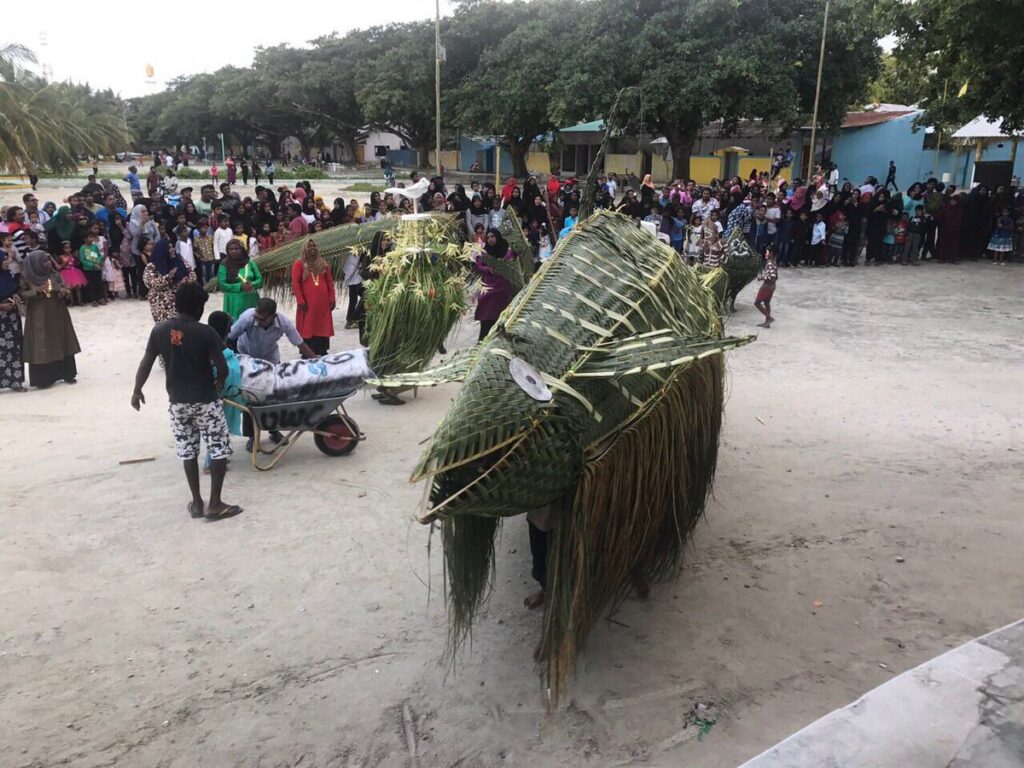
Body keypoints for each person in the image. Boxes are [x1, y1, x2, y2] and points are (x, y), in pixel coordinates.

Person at [131, 282, 241, 521]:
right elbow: (222, 368)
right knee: (218, 448)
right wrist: (219, 385)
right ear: (199, 307)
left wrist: (137, 390)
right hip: (205, 399)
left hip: (177, 402)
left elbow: (146, 363)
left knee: (187, 450)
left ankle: (197, 502)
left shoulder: (159, 330)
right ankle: (215, 503)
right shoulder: (206, 332)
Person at [19, 250, 80, 388]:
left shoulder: (54, 274)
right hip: (38, 315)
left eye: (48, 260)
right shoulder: (27, 277)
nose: (48, 264)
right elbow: (21, 294)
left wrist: (65, 291)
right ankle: (44, 378)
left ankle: (67, 373)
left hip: (58, 312)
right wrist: (37, 291)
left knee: (62, 338)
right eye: (44, 261)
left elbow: (66, 287)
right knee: (42, 342)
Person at [227, 298, 314, 363]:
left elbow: (300, 344)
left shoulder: (284, 322)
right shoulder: (247, 318)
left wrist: (316, 360)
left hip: (270, 359)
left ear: (273, 317)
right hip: (245, 356)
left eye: (262, 319)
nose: (257, 320)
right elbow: (229, 337)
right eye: (256, 317)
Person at [291, 238, 336, 355]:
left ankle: (322, 350)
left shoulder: (323, 263)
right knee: (308, 326)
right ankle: (308, 352)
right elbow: (296, 283)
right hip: (307, 303)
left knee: (322, 325)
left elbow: (330, 282)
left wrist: (332, 298)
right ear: (304, 248)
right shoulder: (299, 263)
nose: (312, 248)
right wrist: (300, 300)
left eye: (314, 246)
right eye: (309, 246)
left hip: (323, 303)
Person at [472, 228, 514, 342]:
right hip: (488, 287)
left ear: (498, 237)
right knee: (486, 316)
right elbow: (477, 266)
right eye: (488, 237)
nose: (490, 239)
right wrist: (489, 268)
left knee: (501, 317)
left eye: (493, 236)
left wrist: (502, 264)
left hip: (502, 288)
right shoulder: (484, 252)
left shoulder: (507, 251)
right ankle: (482, 342)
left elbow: (511, 265)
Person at [144, 238, 196, 323]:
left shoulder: (180, 261)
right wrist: (168, 278)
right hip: (161, 304)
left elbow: (192, 274)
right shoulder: (152, 266)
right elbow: (150, 283)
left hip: (181, 301)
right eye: (169, 248)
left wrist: (187, 281)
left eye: (172, 247)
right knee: (166, 330)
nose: (172, 250)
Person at [0, 246, 25, 392]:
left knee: (15, 348)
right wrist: (1, 306)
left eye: (6, 258)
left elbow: (15, 291)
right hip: (2, 315)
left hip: (12, 317)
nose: (6, 261)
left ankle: (15, 381)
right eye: (3, 259)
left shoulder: (8, 275)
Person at [217, 239, 263, 318]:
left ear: (242, 249)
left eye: (236, 248)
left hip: (251, 298)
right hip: (234, 300)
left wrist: (252, 284)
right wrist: (240, 286)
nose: (233, 251)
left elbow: (260, 280)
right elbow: (222, 285)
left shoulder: (250, 263)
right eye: (231, 249)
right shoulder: (224, 265)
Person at [78, 231, 107, 306]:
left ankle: (100, 298)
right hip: (88, 270)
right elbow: (83, 260)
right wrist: (92, 265)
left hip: (97, 268)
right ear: (85, 239)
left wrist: (98, 262)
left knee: (99, 283)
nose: (92, 239)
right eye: (90, 237)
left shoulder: (95, 246)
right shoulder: (82, 248)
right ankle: (93, 299)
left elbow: (99, 255)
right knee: (91, 285)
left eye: (92, 237)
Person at [754, 245, 778, 328]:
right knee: (767, 302)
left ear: (771, 253)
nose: (766, 254)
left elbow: (772, 276)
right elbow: (775, 276)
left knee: (757, 303)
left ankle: (769, 318)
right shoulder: (773, 261)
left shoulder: (770, 263)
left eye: (767, 252)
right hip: (772, 286)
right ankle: (767, 322)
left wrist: (762, 278)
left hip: (767, 286)